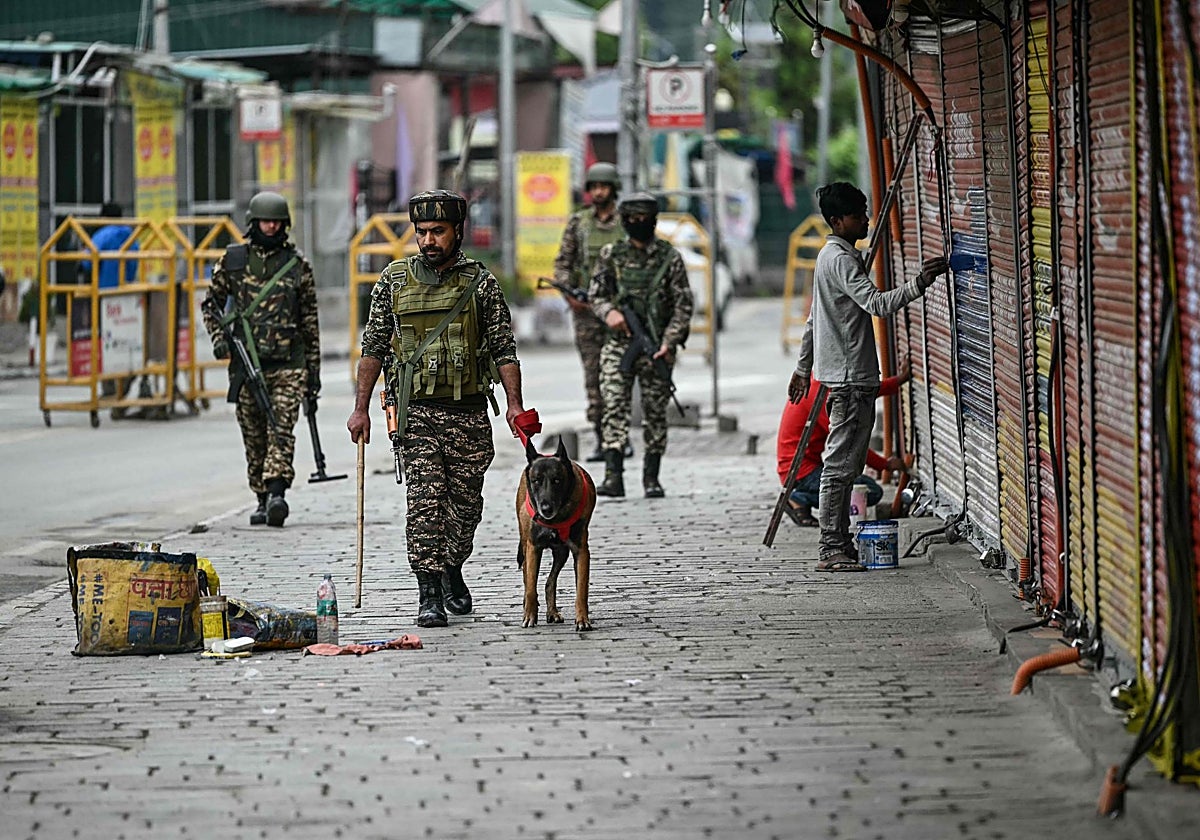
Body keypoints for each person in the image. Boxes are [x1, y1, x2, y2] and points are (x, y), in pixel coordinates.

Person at [346, 189, 526, 628]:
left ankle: (451, 568)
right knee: (425, 501)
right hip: (417, 413)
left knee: (465, 509)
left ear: (458, 232)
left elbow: (503, 347)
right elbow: (372, 347)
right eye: (422, 232)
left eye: (438, 232)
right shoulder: (393, 281)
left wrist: (515, 405)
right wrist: (361, 408)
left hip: (467, 413)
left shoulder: (479, 283)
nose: (428, 240)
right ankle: (428, 591)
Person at [791, 181, 947, 571]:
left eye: (865, 211)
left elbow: (813, 320)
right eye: (858, 214)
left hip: (844, 377)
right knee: (840, 468)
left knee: (846, 467)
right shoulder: (841, 260)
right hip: (848, 380)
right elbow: (877, 304)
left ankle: (839, 542)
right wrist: (920, 283)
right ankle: (831, 548)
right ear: (836, 220)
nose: (865, 219)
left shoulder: (834, 257)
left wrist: (802, 368)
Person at [201, 191, 321, 528]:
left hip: (288, 364)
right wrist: (219, 338)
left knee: (281, 428)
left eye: (277, 221)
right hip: (246, 364)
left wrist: (313, 374)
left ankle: (277, 493)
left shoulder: (298, 268)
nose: (271, 226)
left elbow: (310, 323)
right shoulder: (233, 261)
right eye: (266, 221)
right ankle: (261, 496)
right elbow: (210, 304)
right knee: (253, 433)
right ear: (253, 223)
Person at [590, 192, 694, 499]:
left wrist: (669, 342)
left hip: (657, 347)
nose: (638, 224)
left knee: (655, 413)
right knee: (613, 406)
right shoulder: (612, 254)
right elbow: (595, 294)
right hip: (618, 344)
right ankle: (613, 475)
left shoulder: (669, 258)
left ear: (653, 220)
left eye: (643, 219)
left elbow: (683, 306)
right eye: (632, 219)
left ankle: (651, 477)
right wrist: (609, 313)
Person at [551, 161, 630, 462]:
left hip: (619, 313)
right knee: (594, 378)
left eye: (604, 187)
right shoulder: (579, 223)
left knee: (621, 378)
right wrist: (569, 294)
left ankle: (619, 438)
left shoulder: (626, 223)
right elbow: (563, 263)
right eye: (594, 187)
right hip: (586, 315)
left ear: (613, 189)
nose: (598, 192)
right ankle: (602, 438)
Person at [776, 363, 911, 527]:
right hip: (800, 472)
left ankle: (802, 499)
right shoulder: (818, 395)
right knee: (870, 491)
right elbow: (847, 440)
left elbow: (862, 391)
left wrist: (898, 381)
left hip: (803, 467)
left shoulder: (821, 382)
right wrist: (885, 464)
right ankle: (799, 498)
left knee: (854, 485)